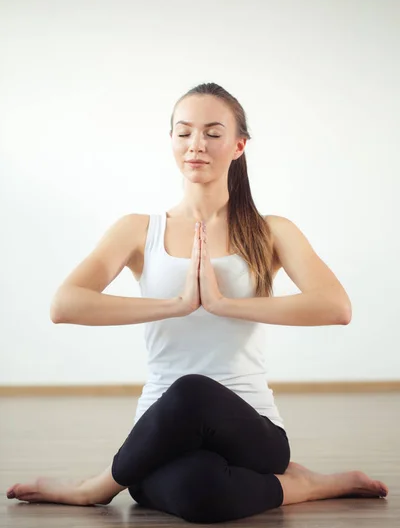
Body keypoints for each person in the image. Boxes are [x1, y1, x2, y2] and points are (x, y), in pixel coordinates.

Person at [6, 83, 388, 522]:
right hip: (156, 435)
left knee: (192, 390)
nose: (196, 146)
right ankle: (304, 485)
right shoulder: (138, 229)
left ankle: (95, 487)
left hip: (253, 433)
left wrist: (223, 303)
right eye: (184, 132)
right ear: (171, 140)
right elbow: (65, 304)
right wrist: (177, 304)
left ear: (239, 145)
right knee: (199, 493)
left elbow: (335, 306)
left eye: (212, 132)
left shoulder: (271, 231)